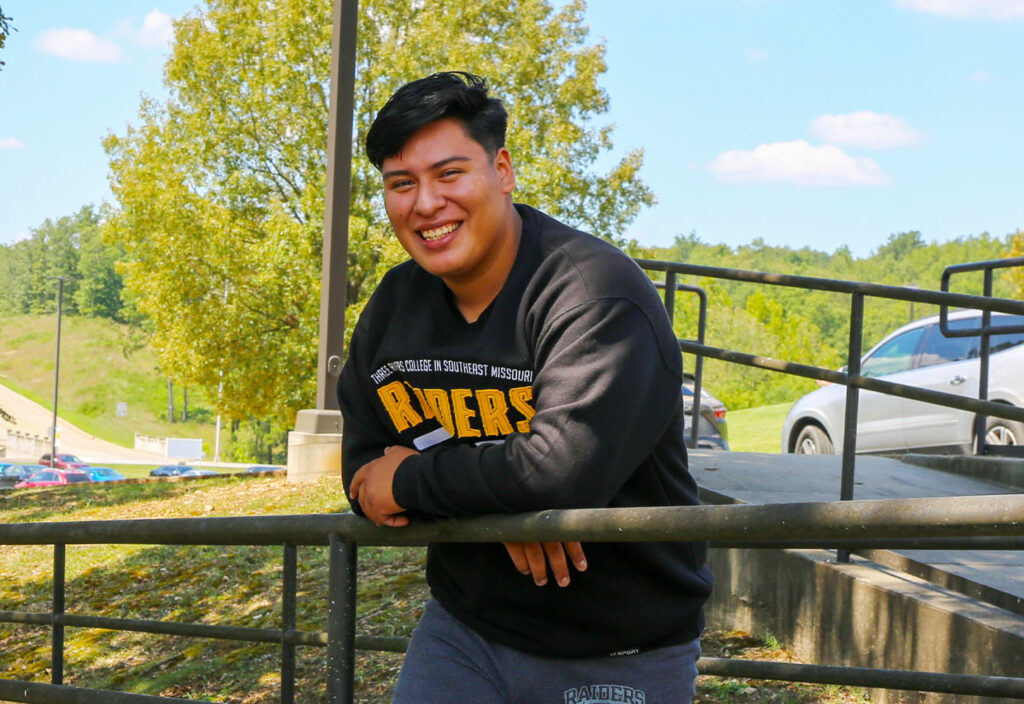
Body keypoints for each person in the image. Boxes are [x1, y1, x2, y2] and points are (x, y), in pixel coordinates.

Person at [338, 71, 712, 704]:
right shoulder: (394, 305)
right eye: (401, 184)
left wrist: (428, 482)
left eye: (449, 174)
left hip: (619, 647)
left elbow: (557, 474)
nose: (425, 203)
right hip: (463, 632)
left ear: (503, 170)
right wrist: (503, 505)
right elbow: (363, 474)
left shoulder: (595, 295)